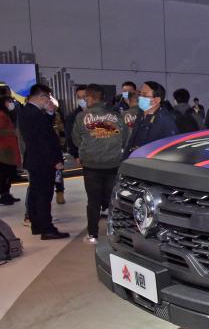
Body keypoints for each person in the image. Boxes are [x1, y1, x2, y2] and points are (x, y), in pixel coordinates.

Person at [73, 84, 128, 244]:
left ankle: (92, 235)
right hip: (113, 164)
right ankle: (117, 233)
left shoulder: (81, 116)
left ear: (90, 98)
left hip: (91, 165)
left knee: (93, 201)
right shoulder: (117, 116)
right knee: (114, 200)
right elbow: (125, 137)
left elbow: (76, 139)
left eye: (85, 98)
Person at [16, 84, 69, 239]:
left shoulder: (29, 111)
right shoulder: (34, 114)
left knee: (36, 193)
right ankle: (47, 228)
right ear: (41, 97)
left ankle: (38, 225)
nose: (49, 100)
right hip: (43, 161)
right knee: (43, 196)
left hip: (36, 160)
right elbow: (45, 141)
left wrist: (50, 112)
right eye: (48, 97)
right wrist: (56, 160)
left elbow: (44, 130)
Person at [125, 81, 178, 156]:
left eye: (144, 95)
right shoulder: (141, 115)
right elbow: (132, 141)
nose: (140, 98)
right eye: (140, 94)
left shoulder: (165, 120)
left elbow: (170, 149)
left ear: (156, 100)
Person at [0, 96, 21, 205]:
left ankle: (6, 194)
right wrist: (13, 132)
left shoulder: (6, 114)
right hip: (4, 149)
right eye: (8, 101)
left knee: (8, 172)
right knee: (5, 172)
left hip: (8, 148)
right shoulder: (1, 115)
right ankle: (4, 195)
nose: (11, 103)